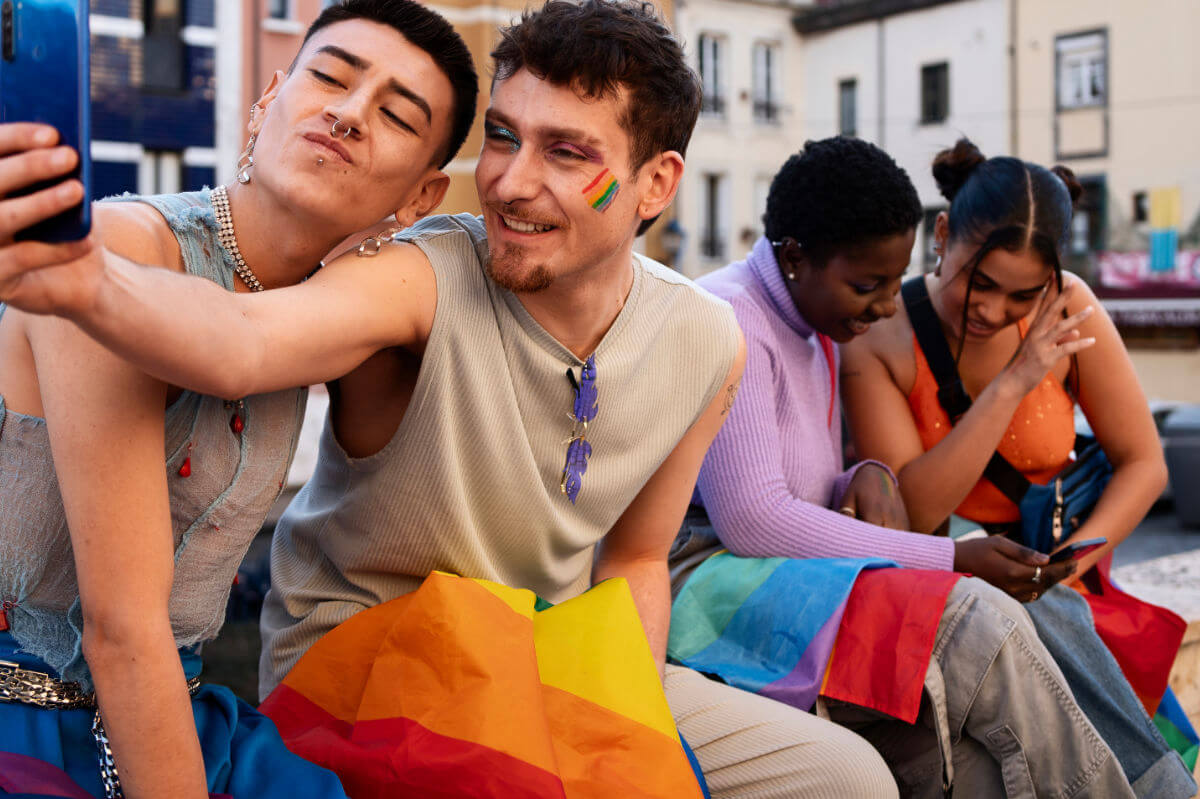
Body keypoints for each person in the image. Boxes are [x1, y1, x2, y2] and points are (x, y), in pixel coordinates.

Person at [2, 2, 905, 796]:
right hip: (358, 659)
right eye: (505, 137)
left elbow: (634, 561)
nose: (511, 181)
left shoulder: (707, 339)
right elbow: (241, 344)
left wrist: (611, 725)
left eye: (568, 153)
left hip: (546, 655)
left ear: (657, 184)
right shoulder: (416, 273)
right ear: (268, 95)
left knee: (848, 777)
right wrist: (84, 279)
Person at [0, 1, 477, 796]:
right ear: (266, 104)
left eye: (395, 114)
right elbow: (120, 630)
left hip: (182, 715)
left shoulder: (327, 321)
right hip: (26, 717)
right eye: (329, 76)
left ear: (422, 196)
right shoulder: (115, 255)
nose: (349, 114)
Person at [671, 135, 1146, 798]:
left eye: (896, 284)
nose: (891, 306)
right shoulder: (732, 317)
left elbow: (800, 483)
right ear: (796, 257)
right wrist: (950, 560)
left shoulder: (818, 321)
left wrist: (863, 473)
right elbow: (752, 518)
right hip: (705, 578)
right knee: (980, 616)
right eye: (869, 286)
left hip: (766, 571)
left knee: (973, 767)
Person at [841, 138, 1197, 797]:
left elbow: (1143, 462)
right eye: (979, 280)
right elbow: (913, 512)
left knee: (1056, 629)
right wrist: (1015, 381)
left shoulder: (1073, 308)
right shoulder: (884, 335)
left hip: (1059, 577)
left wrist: (1067, 564)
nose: (992, 310)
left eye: (1022, 295)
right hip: (941, 577)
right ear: (941, 234)